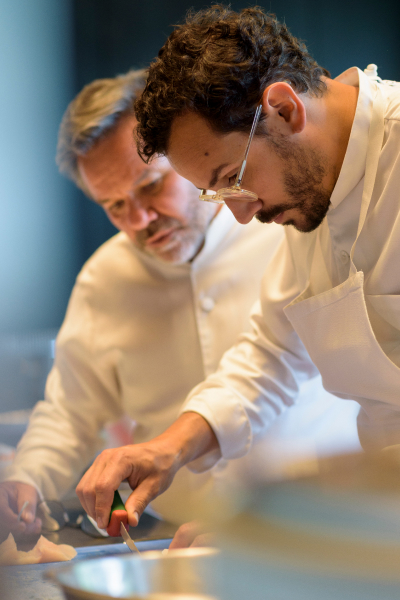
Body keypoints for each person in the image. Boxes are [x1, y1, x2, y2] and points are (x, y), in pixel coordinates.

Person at [73, 4, 400, 533]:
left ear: (284, 109)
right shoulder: (311, 192)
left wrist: (291, 528)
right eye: (217, 193)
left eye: (233, 177)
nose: (243, 214)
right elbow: (271, 353)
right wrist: (166, 449)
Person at [0, 68, 359, 538]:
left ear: (190, 158)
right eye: (115, 206)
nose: (141, 219)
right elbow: (69, 412)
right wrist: (24, 479)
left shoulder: (286, 227)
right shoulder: (102, 282)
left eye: (150, 186)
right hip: (168, 539)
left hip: (316, 526)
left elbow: (270, 367)